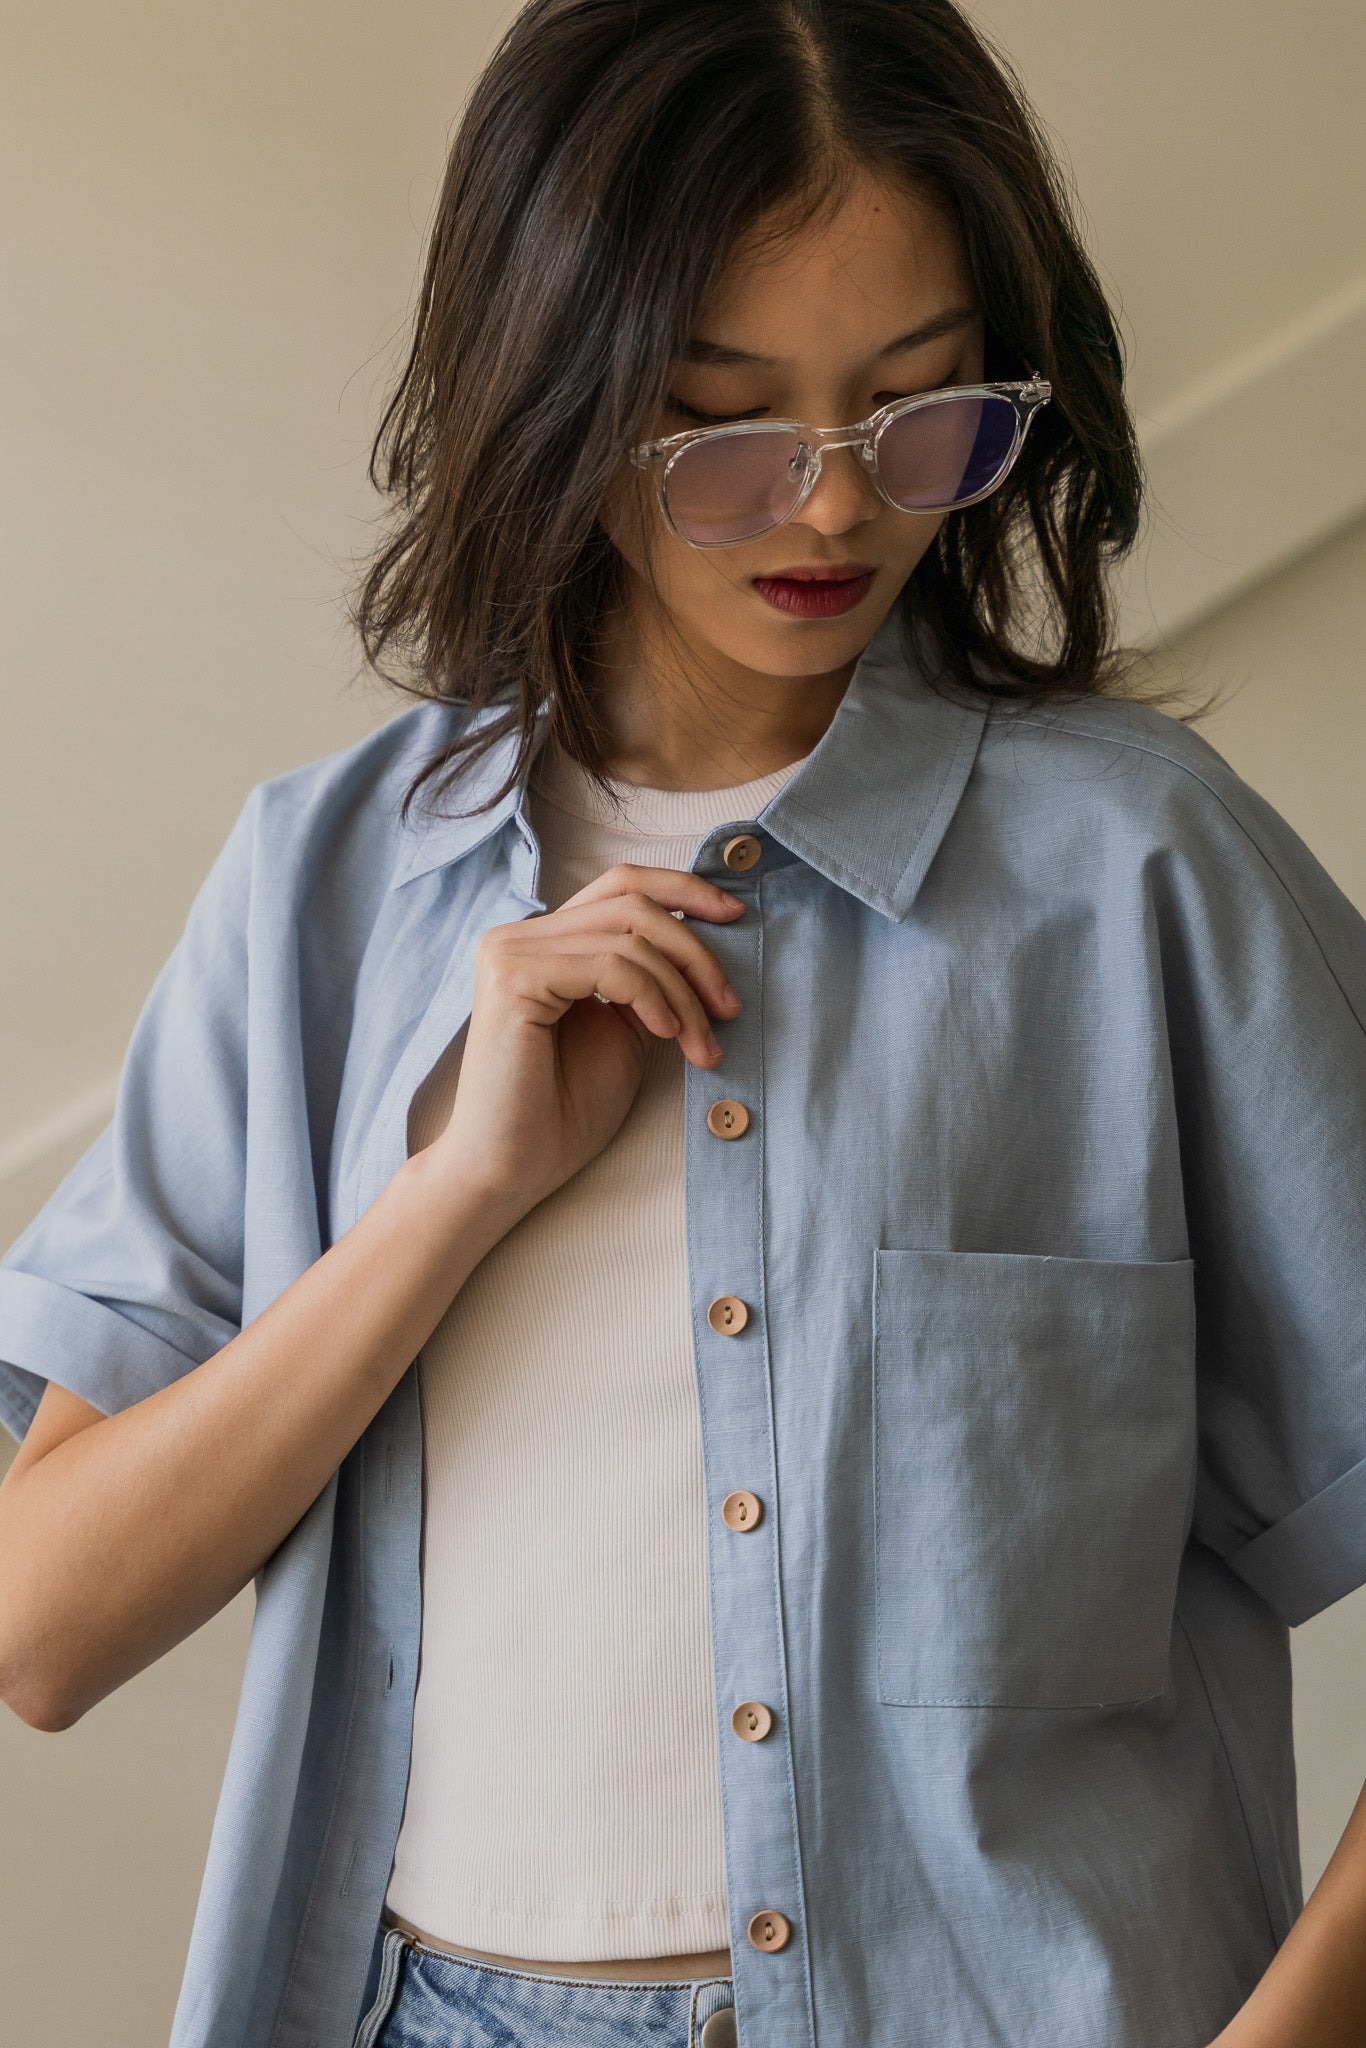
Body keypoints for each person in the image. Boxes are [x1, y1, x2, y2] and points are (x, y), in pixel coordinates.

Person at [2, 1, 1366, 2044]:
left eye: (918, 412)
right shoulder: (325, 891)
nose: (831, 511)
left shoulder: (1142, 873)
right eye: (725, 427)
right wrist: (452, 1198)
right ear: (551, 397)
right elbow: (43, 1623)